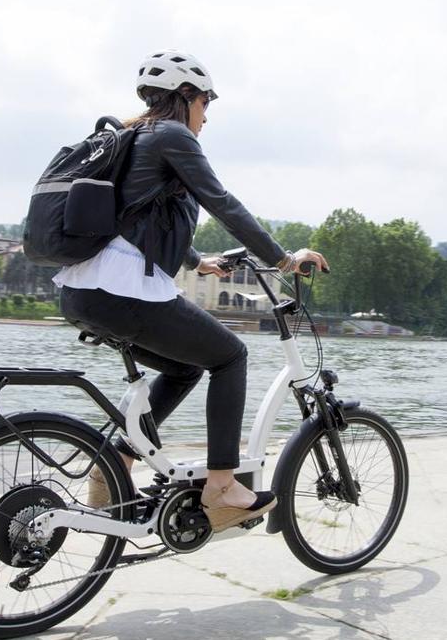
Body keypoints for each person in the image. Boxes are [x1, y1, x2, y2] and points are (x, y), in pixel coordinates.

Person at [56, 50, 329, 532]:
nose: (206, 117)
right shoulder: (172, 134)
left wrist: (195, 260)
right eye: (206, 103)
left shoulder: (133, 135)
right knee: (230, 357)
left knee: (184, 367)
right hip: (122, 289)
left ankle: (113, 466)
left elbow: (135, 215)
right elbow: (223, 202)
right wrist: (284, 259)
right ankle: (221, 488)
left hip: (84, 289)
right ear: (186, 96)